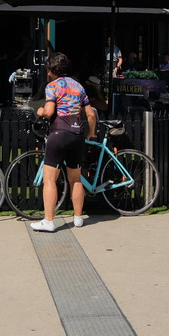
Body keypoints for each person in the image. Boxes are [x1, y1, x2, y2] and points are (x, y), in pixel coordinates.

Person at [31, 52, 97, 233]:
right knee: (76, 179)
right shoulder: (78, 86)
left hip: (59, 133)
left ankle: (48, 221)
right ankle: (78, 218)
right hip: (77, 134)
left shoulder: (52, 86)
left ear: (52, 70)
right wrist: (91, 134)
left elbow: (50, 111)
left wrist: (41, 111)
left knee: (50, 179)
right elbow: (90, 115)